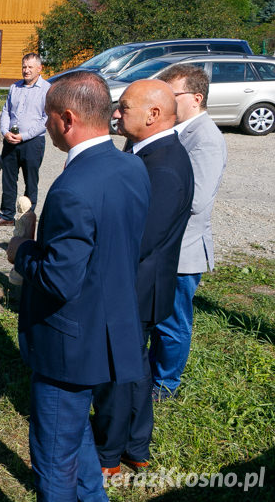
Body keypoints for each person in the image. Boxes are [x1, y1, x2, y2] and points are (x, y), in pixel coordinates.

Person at [6, 71, 150, 500]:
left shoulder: (72, 187)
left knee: (53, 456)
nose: (45, 126)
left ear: (67, 119)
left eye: (48, 117)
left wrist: (21, 249)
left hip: (68, 344)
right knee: (75, 439)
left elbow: (58, 278)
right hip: (109, 330)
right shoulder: (131, 165)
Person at [92, 79, 194, 475]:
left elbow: (141, 239)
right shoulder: (146, 152)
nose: (116, 113)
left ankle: (108, 453)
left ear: (153, 115)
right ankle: (134, 444)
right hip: (136, 284)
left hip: (136, 287)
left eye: (125, 107)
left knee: (118, 371)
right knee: (133, 368)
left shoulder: (165, 165)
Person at [149, 64, 228, 400]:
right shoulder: (178, 132)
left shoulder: (206, 138)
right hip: (165, 247)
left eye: (172, 95)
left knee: (172, 321)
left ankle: (166, 383)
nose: (165, 102)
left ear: (196, 98)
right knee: (157, 316)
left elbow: (196, 200)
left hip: (183, 250)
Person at [0, 53, 49, 227]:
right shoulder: (15, 87)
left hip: (32, 142)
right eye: (24, 67)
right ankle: (7, 215)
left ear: (39, 68)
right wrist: (5, 131)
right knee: (8, 179)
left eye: (30, 67)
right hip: (11, 140)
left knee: (31, 180)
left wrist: (25, 135)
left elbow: (47, 118)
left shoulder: (47, 89)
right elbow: (6, 111)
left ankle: (27, 217)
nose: (26, 70)